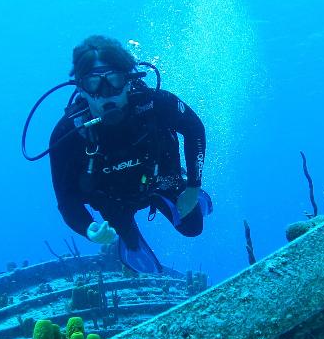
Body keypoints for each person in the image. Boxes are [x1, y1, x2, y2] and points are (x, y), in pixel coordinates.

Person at [47, 35, 210, 273]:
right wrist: (88, 228)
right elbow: (66, 200)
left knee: (193, 228)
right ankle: (128, 238)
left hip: (162, 180)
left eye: (114, 79)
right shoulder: (67, 134)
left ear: (128, 80)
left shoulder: (157, 104)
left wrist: (193, 187)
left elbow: (194, 129)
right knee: (130, 251)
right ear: (81, 88)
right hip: (113, 201)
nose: (106, 93)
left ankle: (177, 189)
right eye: (94, 83)